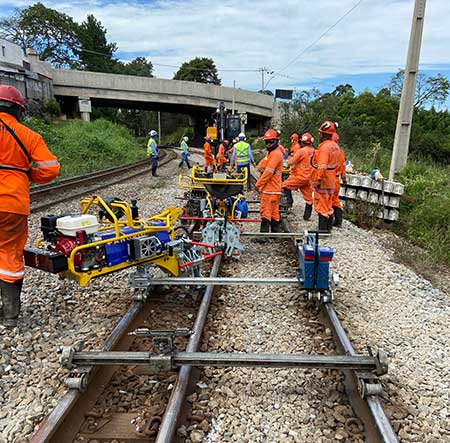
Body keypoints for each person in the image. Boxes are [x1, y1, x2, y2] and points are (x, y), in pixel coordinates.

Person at [0, 85, 60, 327]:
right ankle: (10, 315)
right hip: (12, 202)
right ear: (18, 110)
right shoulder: (28, 135)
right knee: (9, 253)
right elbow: (51, 168)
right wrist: (27, 174)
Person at [311, 121, 340, 232]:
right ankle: (328, 228)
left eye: (320, 133)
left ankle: (322, 229)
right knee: (328, 204)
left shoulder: (324, 147)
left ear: (323, 134)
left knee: (322, 203)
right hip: (331, 178)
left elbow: (322, 166)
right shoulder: (335, 146)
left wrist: (318, 179)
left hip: (324, 179)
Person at [255, 129, 284, 234]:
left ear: (276, 141)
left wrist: (258, 184)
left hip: (270, 189)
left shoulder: (275, 154)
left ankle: (263, 236)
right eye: (266, 142)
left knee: (266, 212)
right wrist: (261, 168)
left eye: (270, 142)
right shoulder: (271, 153)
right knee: (274, 213)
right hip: (273, 189)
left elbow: (268, 172)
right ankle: (276, 233)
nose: (268, 144)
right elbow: (260, 166)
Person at [281, 132, 315, 220]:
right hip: (309, 178)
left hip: (300, 176)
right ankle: (306, 217)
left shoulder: (301, 151)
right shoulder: (314, 151)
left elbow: (291, 162)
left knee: (285, 185)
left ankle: (289, 201)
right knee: (309, 199)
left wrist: (288, 158)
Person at [331, 132, 346, 227]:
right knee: (335, 200)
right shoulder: (340, 152)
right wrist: (344, 179)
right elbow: (343, 167)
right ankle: (338, 221)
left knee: (328, 201)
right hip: (337, 180)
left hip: (330, 180)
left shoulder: (329, 151)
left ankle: (327, 224)